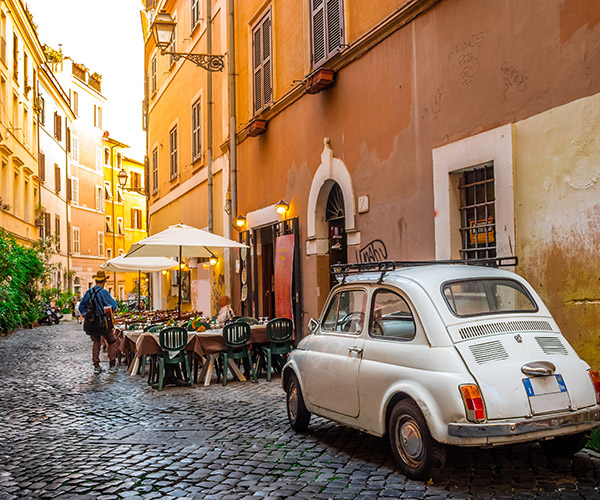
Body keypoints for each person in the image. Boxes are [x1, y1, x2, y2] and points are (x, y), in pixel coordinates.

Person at [79, 270, 119, 374]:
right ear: (104, 282)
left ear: (96, 281)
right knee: (112, 341)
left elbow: (81, 307)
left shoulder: (89, 292)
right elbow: (114, 306)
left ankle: (96, 366)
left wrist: (87, 315)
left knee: (96, 342)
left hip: (92, 323)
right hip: (104, 322)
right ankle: (112, 364)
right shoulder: (104, 292)